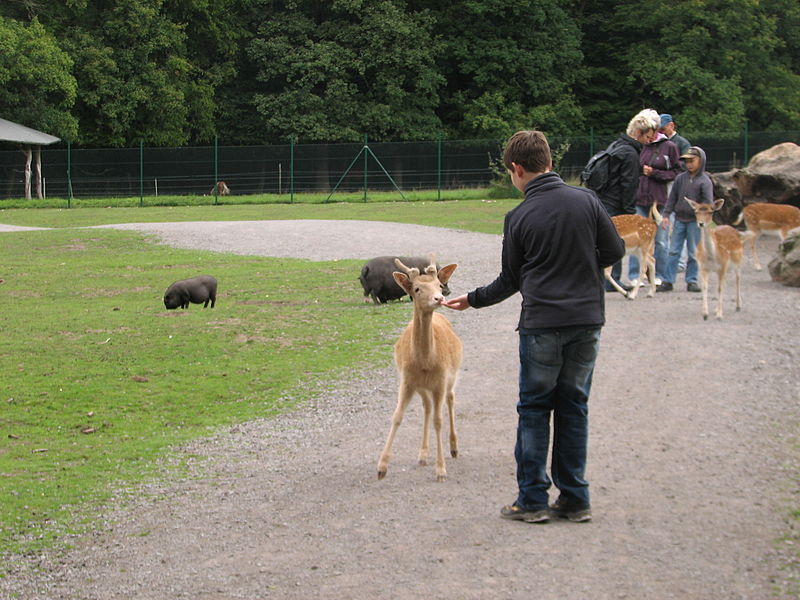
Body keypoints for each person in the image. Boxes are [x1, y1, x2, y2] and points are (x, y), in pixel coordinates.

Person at [443, 130, 625, 524]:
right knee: (574, 407)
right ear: (551, 163)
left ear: (517, 169)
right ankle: (575, 498)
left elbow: (510, 280)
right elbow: (614, 251)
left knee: (534, 409)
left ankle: (532, 500)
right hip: (586, 321)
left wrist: (470, 299)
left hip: (542, 324)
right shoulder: (588, 201)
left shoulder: (520, 216)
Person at [597, 109, 660, 290]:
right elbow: (628, 184)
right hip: (616, 203)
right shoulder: (630, 153)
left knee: (604, 240)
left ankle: (605, 280)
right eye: (648, 137)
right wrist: (630, 213)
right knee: (615, 241)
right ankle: (612, 280)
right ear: (638, 133)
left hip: (604, 199)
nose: (649, 141)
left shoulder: (616, 146)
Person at [657, 146, 714, 292]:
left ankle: (692, 280)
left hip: (695, 222)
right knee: (673, 250)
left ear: (700, 161)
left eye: (692, 161)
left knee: (694, 252)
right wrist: (666, 215)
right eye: (686, 161)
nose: (689, 164)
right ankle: (668, 280)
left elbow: (708, 204)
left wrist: (704, 218)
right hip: (679, 219)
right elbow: (672, 198)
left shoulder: (705, 181)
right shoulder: (680, 178)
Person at [627, 131, 681, 285]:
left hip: (660, 201)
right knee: (636, 238)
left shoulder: (669, 147)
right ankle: (635, 275)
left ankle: (660, 275)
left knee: (661, 240)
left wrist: (655, 173)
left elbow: (677, 171)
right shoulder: (639, 146)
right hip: (639, 200)